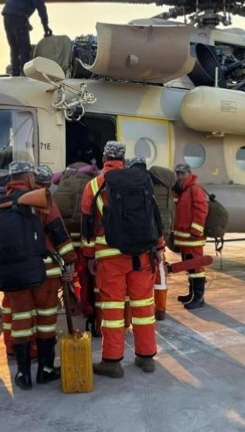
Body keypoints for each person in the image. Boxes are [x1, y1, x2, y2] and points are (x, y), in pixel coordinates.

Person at [81, 141, 158, 378]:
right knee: (143, 308)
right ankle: (146, 357)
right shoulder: (141, 180)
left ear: (104, 158)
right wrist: (159, 247)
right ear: (124, 159)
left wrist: (89, 255)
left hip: (110, 257)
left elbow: (87, 225)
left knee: (113, 310)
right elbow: (154, 217)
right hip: (141, 255)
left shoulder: (94, 185)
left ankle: (112, 362)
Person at [32, 165, 78, 383]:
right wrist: (69, 262)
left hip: (18, 272)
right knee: (46, 319)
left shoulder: (12, 201)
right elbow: (59, 232)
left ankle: (23, 369)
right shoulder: (45, 201)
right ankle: (45, 369)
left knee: (21, 317)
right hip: (46, 270)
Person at [172, 163, 209, 310]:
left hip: (193, 239)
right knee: (189, 267)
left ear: (189, 173)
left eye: (183, 173)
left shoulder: (194, 189)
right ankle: (192, 294)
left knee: (196, 267)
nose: (180, 176)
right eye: (178, 174)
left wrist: (195, 231)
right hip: (184, 239)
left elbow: (201, 210)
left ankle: (199, 298)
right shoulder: (181, 191)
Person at [2, 0, 52, 76]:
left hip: (8, 18)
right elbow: (41, 7)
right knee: (24, 48)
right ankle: (25, 74)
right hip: (17, 18)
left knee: (14, 48)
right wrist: (46, 27)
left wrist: (26, 23)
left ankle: (15, 73)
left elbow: (19, 6)